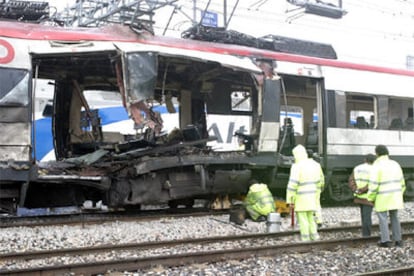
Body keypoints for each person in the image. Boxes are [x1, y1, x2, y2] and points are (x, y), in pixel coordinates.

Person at [367, 145, 405, 247]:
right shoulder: (395, 164)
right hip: (395, 196)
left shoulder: (377, 165)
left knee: (383, 218)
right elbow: (402, 182)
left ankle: (386, 241)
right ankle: (398, 240)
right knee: (395, 217)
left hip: (382, 197)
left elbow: (374, 184)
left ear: (377, 154)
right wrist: (399, 194)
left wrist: (370, 197)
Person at [286, 144, 324, 241]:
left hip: (301, 198)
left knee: (303, 220)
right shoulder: (315, 165)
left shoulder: (296, 166)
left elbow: (292, 185)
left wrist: (290, 200)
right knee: (311, 218)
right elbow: (319, 181)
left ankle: (305, 239)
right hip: (312, 196)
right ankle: (315, 237)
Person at [348, 154, 376, 237]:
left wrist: (356, 189)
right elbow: (373, 183)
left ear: (365, 160)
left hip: (358, 196)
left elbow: (351, 180)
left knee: (364, 216)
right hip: (368, 196)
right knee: (367, 217)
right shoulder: (374, 169)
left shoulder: (357, 168)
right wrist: (363, 190)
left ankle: (365, 234)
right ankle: (366, 236)